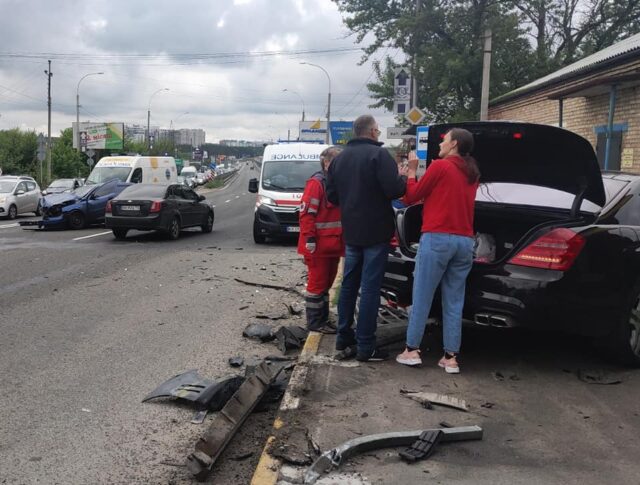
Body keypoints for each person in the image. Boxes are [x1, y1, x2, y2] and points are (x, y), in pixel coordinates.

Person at [396, 128, 480, 373]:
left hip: (437, 239)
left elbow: (411, 197)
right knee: (454, 300)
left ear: (453, 144)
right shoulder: (472, 174)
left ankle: (411, 350)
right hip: (465, 242)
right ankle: (450, 358)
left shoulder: (440, 167)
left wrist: (411, 171)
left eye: (444, 140)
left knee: (422, 295)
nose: (440, 144)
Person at [327, 115, 407, 361]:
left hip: (352, 232)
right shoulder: (379, 156)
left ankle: (343, 338)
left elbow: (331, 197)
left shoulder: (339, 160)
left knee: (349, 285)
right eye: (378, 129)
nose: (379, 132)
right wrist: (403, 176)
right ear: (372, 132)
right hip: (376, 233)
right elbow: (394, 190)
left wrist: (352, 203)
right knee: (370, 288)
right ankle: (366, 346)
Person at [298, 146, 344, 334]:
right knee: (317, 285)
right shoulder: (317, 184)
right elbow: (307, 213)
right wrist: (310, 238)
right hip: (318, 246)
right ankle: (316, 323)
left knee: (327, 283)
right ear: (327, 163)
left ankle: (323, 319)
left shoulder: (336, 182)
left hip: (333, 245)